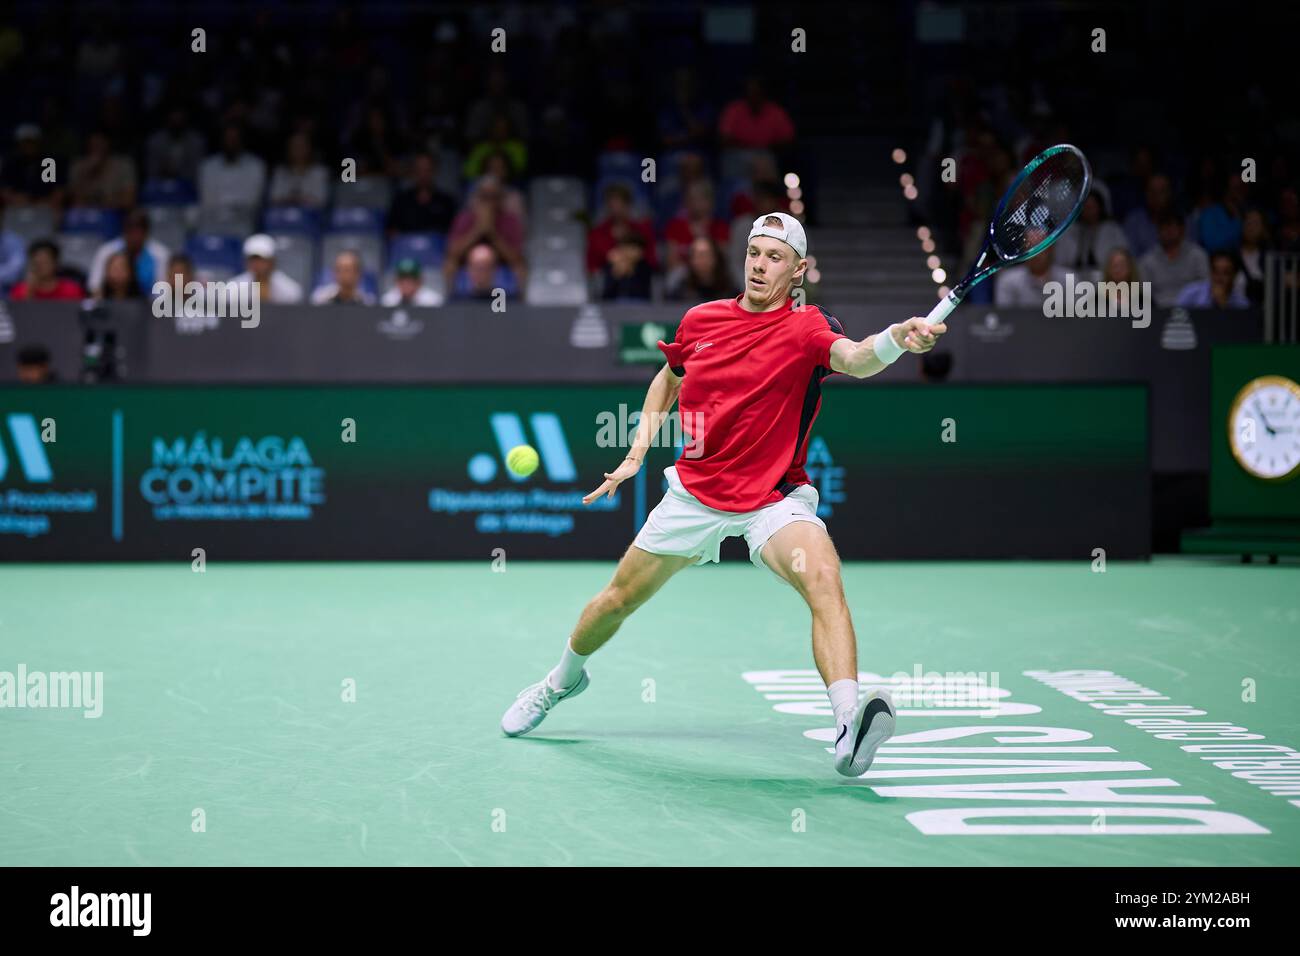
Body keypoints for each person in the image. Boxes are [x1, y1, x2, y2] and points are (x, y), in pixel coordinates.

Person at [500, 212, 948, 778]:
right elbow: (670, 375)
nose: (760, 265)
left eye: (775, 257)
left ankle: (847, 724)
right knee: (616, 600)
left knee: (824, 579)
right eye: (754, 253)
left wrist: (896, 341)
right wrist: (637, 453)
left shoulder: (809, 327)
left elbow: (856, 359)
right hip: (695, 494)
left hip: (773, 498)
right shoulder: (701, 318)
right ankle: (558, 682)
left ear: (798, 269)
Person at [86, 209, 169, 296]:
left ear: (146, 232)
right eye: (130, 230)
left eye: (138, 231)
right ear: (124, 231)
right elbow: (94, 286)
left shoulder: (160, 254)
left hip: (150, 305)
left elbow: (163, 292)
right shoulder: (106, 251)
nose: (134, 237)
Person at [1138, 212, 1210, 307]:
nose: (1168, 231)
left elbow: (1206, 287)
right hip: (1158, 313)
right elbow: (1143, 294)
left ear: (1182, 230)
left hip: (1194, 311)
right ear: (1158, 231)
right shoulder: (1147, 261)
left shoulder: (1198, 256)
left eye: (1172, 226)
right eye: (1164, 227)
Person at [232, 234, 304, 304]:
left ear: (272, 261)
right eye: (252, 259)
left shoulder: (290, 290)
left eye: (262, 260)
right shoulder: (233, 289)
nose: (257, 264)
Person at [9, 240, 85, 300]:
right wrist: (29, 291)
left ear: (56, 263)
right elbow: (18, 315)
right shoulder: (19, 290)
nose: (40, 267)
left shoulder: (72, 290)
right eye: (36, 263)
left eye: (45, 262)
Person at [666, 236, 735, 301]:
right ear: (691, 260)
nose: (702, 260)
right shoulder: (681, 289)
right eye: (698, 255)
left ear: (715, 258)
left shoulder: (728, 288)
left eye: (706, 254)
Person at [1174, 252, 1250, 309]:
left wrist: (1222, 305)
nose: (1219, 278)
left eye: (1225, 273)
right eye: (1215, 271)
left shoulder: (1242, 304)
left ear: (1234, 275)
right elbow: (1176, 317)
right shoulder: (1190, 293)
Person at [311, 249, 375, 305]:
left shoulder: (367, 303)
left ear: (358, 273)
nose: (342, 274)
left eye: (347, 270)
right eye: (338, 270)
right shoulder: (321, 300)